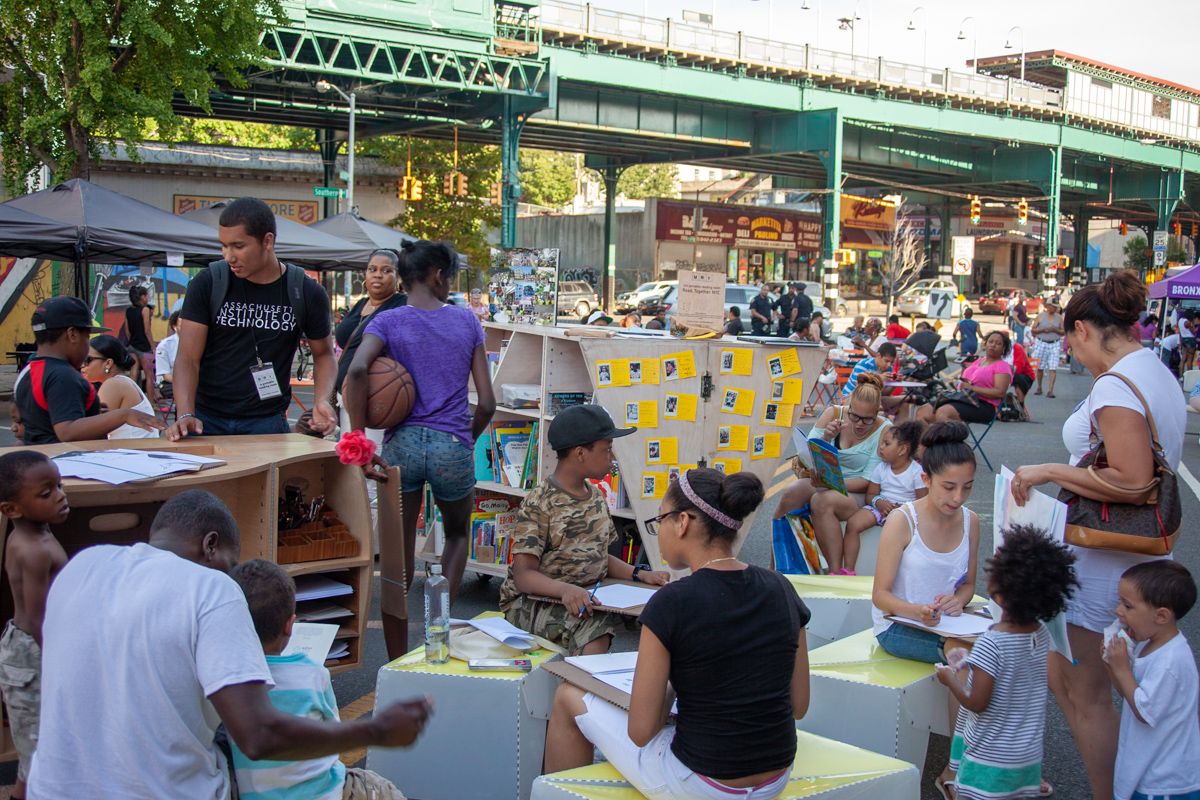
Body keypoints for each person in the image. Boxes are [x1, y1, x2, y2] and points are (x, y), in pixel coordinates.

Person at [26, 490, 432, 800]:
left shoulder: (82, 565)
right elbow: (258, 736)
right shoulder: (211, 588)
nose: (230, 575)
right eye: (229, 561)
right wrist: (375, 730)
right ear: (210, 545)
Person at [1011, 270, 1186, 800]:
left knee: (1083, 691)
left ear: (1083, 329)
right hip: (1117, 554)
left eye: (1068, 340)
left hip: (1100, 557)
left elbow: (1132, 479)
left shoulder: (1115, 385)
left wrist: (1050, 471)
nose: (1069, 352)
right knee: (1069, 679)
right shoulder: (1150, 369)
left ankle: (1109, 794)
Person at [542, 468, 811, 800]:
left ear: (682, 522)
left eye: (659, 522)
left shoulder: (672, 603)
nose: (658, 533)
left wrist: (670, 683)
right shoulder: (781, 588)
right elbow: (799, 706)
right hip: (776, 776)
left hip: (703, 783)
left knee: (569, 695)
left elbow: (641, 732)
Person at [344, 240, 496, 613]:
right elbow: (488, 404)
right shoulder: (465, 320)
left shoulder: (387, 320)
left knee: (399, 540)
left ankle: (398, 624)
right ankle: (438, 619)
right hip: (452, 444)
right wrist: (465, 439)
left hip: (403, 445)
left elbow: (358, 370)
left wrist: (360, 441)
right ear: (437, 275)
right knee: (458, 534)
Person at [229, 559, 405, 800]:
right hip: (323, 794)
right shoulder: (314, 674)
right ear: (290, 626)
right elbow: (333, 735)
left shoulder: (229, 681)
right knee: (384, 790)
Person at [500, 405, 669, 655]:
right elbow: (523, 576)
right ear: (580, 453)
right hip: (531, 601)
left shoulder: (597, 496)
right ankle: (580, 691)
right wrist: (565, 590)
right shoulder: (540, 502)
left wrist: (639, 574)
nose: (612, 457)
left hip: (586, 593)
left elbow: (597, 556)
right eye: (607, 449)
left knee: (661, 615)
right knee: (593, 626)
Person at [168, 197, 337, 439]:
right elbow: (187, 359)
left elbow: (324, 355)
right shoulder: (208, 283)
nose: (229, 256)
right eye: (223, 246)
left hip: (267, 421)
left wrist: (322, 399)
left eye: (238, 246)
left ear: (267, 241)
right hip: (205, 419)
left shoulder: (306, 292)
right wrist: (184, 414)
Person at [871, 421, 980, 795]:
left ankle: (1001, 758)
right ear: (926, 477)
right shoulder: (903, 520)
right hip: (898, 625)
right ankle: (954, 768)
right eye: (949, 487)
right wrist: (916, 611)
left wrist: (959, 599)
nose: (958, 497)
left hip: (949, 622)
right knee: (964, 655)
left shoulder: (972, 521)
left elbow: (968, 584)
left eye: (967, 487)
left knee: (1009, 648)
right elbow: (880, 597)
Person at [934, 526, 1079, 800]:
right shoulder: (1040, 633)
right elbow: (1015, 675)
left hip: (989, 761)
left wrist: (950, 679)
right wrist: (969, 661)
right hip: (1025, 757)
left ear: (997, 591)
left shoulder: (992, 642)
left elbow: (977, 702)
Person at [0, 452, 69, 800]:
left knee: (39, 752)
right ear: (12, 509)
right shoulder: (34, 550)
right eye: (46, 493)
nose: (60, 495)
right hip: (34, 652)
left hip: (32, 647)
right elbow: (42, 617)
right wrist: (63, 666)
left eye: (59, 485)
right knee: (38, 753)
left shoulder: (37, 536)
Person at [1106, 561, 1199, 800]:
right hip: (1147, 767)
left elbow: (1144, 711)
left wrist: (1123, 669)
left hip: (1164, 781)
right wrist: (1113, 665)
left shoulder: (1170, 662)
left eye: (1128, 606)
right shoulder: (1148, 645)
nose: (1119, 611)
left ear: (1161, 615)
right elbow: (1131, 695)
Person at [14, 296, 163, 444]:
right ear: (72, 334)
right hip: (64, 460)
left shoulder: (26, 372)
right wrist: (124, 415)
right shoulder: (64, 376)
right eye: (87, 337)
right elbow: (67, 432)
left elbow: (41, 416)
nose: (86, 350)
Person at [774, 373, 892, 531]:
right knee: (792, 491)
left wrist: (830, 484)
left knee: (823, 500)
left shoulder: (884, 429)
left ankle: (829, 556)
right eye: (854, 416)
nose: (859, 424)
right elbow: (804, 460)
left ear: (877, 413)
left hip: (856, 491)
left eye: (867, 419)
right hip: (824, 483)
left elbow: (867, 482)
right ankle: (779, 551)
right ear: (849, 406)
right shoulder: (834, 414)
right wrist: (826, 438)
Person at [832, 420, 927, 575]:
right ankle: (849, 569)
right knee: (853, 523)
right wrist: (880, 502)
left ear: (902, 449)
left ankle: (897, 573)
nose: (881, 447)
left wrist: (903, 511)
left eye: (887, 444)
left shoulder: (916, 472)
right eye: (882, 443)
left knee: (900, 536)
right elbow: (870, 495)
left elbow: (922, 503)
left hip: (905, 512)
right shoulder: (881, 468)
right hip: (881, 506)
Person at [334, 249, 408, 441]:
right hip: (345, 397)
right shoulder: (362, 304)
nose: (377, 274)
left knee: (368, 461)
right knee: (351, 465)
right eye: (372, 269)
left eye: (386, 271)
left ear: (398, 276)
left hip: (377, 397)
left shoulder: (403, 305)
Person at [917, 331, 1012, 426]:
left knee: (944, 413)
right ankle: (925, 440)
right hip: (962, 398)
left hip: (983, 405)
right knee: (923, 411)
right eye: (990, 342)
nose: (993, 345)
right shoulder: (978, 361)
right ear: (985, 343)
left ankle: (949, 439)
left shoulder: (1002, 366)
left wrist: (972, 388)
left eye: (998, 343)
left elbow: (1000, 393)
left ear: (1003, 348)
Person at [81, 335, 159, 439]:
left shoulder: (114, 384)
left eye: (87, 360)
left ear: (108, 363)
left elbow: (92, 431)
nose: (82, 365)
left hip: (132, 452)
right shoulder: (121, 381)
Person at [1031, 296, 1065, 397]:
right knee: (1040, 366)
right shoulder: (1040, 316)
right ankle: (1039, 387)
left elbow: (1063, 331)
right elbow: (1033, 329)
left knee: (1053, 367)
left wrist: (1056, 330)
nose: (1055, 309)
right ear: (1048, 306)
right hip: (1042, 342)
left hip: (1054, 343)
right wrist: (1042, 330)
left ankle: (1050, 390)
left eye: (1056, 307)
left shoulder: (1058, 317)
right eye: (1053, 306)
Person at [123, 284, 154, 388]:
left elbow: (127, 332)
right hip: (144, 348)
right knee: (149, 375)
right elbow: (147, 331)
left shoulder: (128, 311)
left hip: (132, 346)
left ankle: (132, 399)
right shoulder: (144, 310)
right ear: (142, 297)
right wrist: (153, 347)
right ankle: (151, 402)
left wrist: (133, 341)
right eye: (147, 296)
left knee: (133, 374)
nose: (147, 299)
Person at [155, 311, 181, 399]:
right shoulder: (165, 345)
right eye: (182, 326)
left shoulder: (196, 342)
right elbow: (165, 375)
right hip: (170, 382)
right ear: (175, 327)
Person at [1180, 310, 1197, 375]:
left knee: (1183, 359)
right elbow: (1194, 332)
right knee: (1190, 359)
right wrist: (1192, 324)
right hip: (1190, 340)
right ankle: (1190, 375)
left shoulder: (1180, 321)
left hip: (1184, 339)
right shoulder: (1187, 322)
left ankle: (1181, 376)